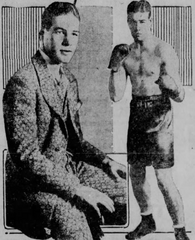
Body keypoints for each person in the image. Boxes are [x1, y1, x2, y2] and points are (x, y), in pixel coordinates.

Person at [3, 2, 127, 240]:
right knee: (74, 222)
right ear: (43, 35)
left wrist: (104, 161)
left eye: (74, 34)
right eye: (60, 32)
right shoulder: (23, 83)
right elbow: (27, 157)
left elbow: (76, 142)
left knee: (122, 191)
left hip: (68, 168)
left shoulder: (68, 80)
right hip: (32, 186)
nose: (69, 42)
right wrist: (76, 189)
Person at [108, 0, 189, 240]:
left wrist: (171, 86)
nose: (137, 27)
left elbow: (181, 96)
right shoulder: (126, 53)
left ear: (150, 21)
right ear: (127, 22)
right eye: (132, 22)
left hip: (159, 114)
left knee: (163, 177)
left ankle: (180, 230)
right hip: (137, 114)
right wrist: (114, 68)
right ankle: (147, 221)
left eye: (142, 21)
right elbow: (116, 95)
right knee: (136, 173)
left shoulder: (164, 50)